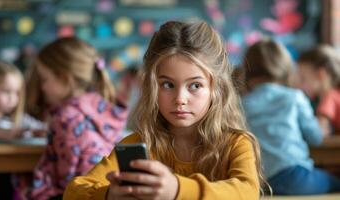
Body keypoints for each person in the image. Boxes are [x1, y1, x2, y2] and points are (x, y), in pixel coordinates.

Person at [64, 20, 264, 200]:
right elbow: (75, 191)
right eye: (167, 85)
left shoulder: (236, 144)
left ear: (216, 89)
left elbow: (247, 192)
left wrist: (177, 189)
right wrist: (109, 195)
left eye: (195, 86)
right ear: (152, 87)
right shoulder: (141, 144)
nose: (180, 99)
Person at [24, 37, 129, 200]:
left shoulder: (65, 117)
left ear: (65, 78)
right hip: (107, 191)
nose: (42, 87)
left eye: (45, 79)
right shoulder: (102, 107)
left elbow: (66, 179)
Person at [242, 39, 340, 195]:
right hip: (295, 177)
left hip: (260, 182)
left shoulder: (240, 104)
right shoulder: (295, 97)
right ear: (285, 67)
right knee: (333, 180)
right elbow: (315, 137)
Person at [0, 61, 46, 200]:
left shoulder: (18, 119)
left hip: (10, 177)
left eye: (17, 93)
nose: (13, 98)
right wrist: (0, 134)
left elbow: (43, 128)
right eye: (6, 91)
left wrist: (39, 132)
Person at [297, 45, 340, 135]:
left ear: (321, 74)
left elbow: (320, 131)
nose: (299, 85)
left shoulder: (329, 97)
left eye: (303, 78)